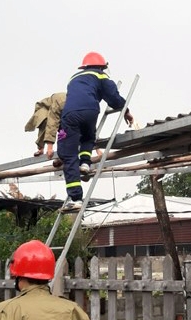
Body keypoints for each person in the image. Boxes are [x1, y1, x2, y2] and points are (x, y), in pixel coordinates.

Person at [57, 51, 133, 210]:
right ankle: (85, 163)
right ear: (101, 66)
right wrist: (125, 110)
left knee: (68, 156)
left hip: (70, 115)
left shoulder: (73, 79)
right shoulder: (101, 76)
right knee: (88, 137)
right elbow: (113, 97)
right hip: (91, 111)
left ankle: (76, 198)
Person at [25, 92, 66, 159]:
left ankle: (62, 156)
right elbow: (51, 125)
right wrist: (49, 148)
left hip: (61, 110)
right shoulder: (47, 111)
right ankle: (41, 149)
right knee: (48, 124)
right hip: (54, 108)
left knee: (65, 131)